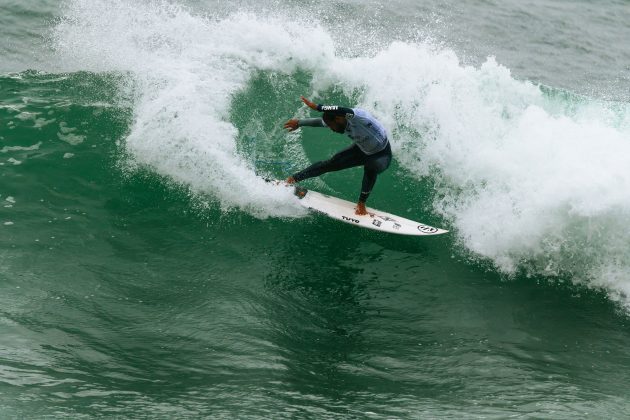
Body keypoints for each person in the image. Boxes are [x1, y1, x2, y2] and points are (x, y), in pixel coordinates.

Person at [284, 96, 392, 215]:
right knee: (329, 164)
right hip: (361, 150)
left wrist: (318, 107)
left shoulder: (359, 117)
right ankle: (292, 179)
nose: (331, 129)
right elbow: (319, 122)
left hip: (381, 155)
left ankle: (361, 204)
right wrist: (299, 123)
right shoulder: (337, 120)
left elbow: (344, 110)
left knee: (371, 167)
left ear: (339, 119)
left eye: (331, 126)